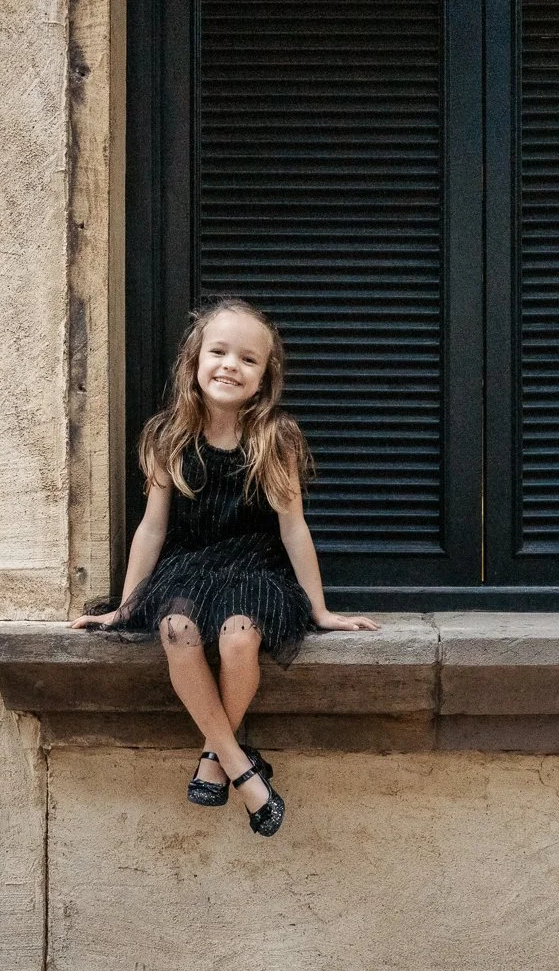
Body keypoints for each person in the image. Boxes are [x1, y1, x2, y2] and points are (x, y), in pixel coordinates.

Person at [70, 297, 379, 837]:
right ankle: (241, 767)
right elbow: (152, 527)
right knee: (175, 628)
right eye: (218, 351)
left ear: (264, 378)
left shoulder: (274, 439)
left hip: (255, 568)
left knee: (239, 639)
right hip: (188, 569)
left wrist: (321, 609)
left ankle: (215, 758)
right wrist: (124, 605)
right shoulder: (169, 436)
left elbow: (293, 529)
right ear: (194, 362)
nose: (230, 365)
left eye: (248, 359)